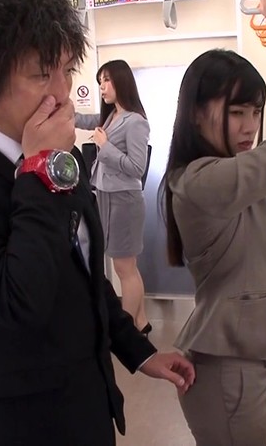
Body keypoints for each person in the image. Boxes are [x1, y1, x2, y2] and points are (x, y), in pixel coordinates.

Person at [0, 0, 194, 445]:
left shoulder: (63, 157)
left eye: (67, 70)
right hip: (17, 425)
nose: (63, 93)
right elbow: (17, 301)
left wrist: (140, 352)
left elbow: (84, 275)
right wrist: (39, 168)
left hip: (90, 408)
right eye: (40, 74)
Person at [160, 0, 266, 443]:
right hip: (228, 368)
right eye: (237, 112)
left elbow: (249, 262)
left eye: (255, 111)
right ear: (196, 113)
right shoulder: (202, 180)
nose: (250, 125)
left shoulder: (233, 177)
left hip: (250, 355)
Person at [75, 60, 151, 334]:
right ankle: (140, 322)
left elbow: (137, 167)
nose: (102, 87)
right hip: (107, 195)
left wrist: (105, 147)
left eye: (106, 80)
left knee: (123, 267)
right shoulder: (112, 116)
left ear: (121, 81)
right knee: (126, 266)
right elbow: (85, 120)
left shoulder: (136, 121)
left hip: (124, 199)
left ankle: (127, 331)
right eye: (100, 82)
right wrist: (63, 109)